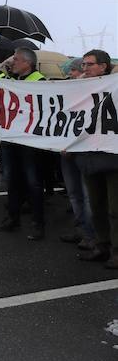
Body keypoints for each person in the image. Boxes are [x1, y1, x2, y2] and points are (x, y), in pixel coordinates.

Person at [0, 47, 48, 240]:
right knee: (12, 180)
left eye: (16, 59)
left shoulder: (40, 81)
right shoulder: (10, 81)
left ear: (27, 63)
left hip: (30, 143)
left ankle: (37, 224)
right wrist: (5, 72)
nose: (12, 62)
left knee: (33, 183)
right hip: (10, 140)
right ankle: (12, 218)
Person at [74, 49, 118, 269]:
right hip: (89, 155)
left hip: (112, 156)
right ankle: (102, 245)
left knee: (115, 208)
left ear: (103, 66)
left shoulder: (115, 85)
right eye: (83, 65)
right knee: (97, 205)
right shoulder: (78, 88)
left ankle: (117, 251)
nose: (85, 69)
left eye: (89, 64)